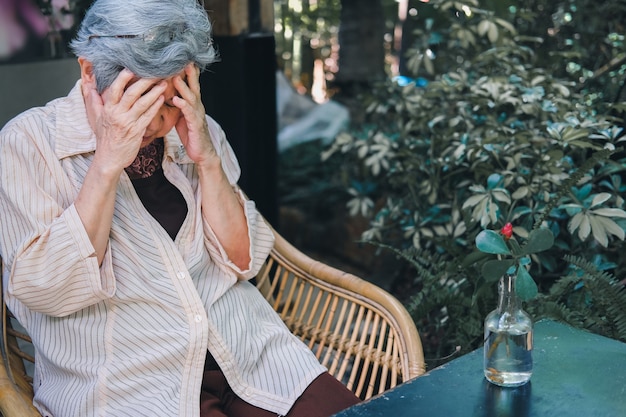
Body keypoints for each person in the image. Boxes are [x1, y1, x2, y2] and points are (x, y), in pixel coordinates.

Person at [0, 0, 361, 416]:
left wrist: (206, 157)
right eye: (142, 100)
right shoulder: (28, 144)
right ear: (88, 73)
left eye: (171, 101)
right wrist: (105, 164)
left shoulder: (194, 129)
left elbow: (244, 260)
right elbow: (47, 290)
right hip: (129, 381)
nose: (156, 123)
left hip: (247, 353)